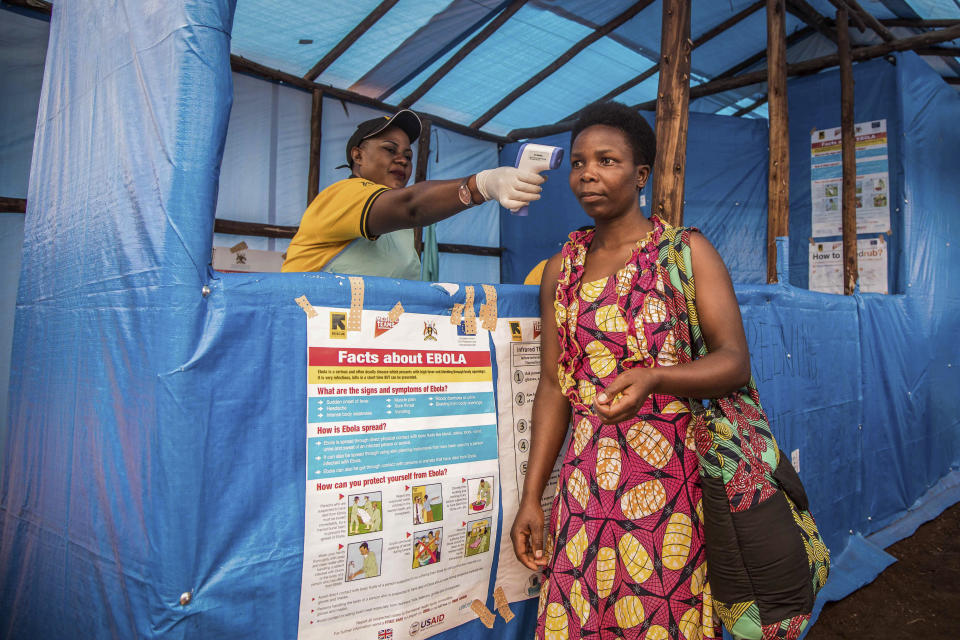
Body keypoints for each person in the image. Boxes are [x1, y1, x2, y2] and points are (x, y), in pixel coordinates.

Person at [510, 101, 752, 640]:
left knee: (663, 611)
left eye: (607, 161)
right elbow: (554, 385)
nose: (588, 174)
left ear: (641, 175)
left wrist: (657, 377)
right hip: (585, 484)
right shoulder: (561, 268)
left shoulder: (683, 251)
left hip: (671, 481)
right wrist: (533, 498)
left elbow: (733, 361)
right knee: (582, 614)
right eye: (577, 163)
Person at [282, 109, 544, 278]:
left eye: (408, 155)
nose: (402, 160)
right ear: (357, 155)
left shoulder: (398, 230)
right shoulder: (342, 195)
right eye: (389, 149)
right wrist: (480, 185)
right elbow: (411, 206)